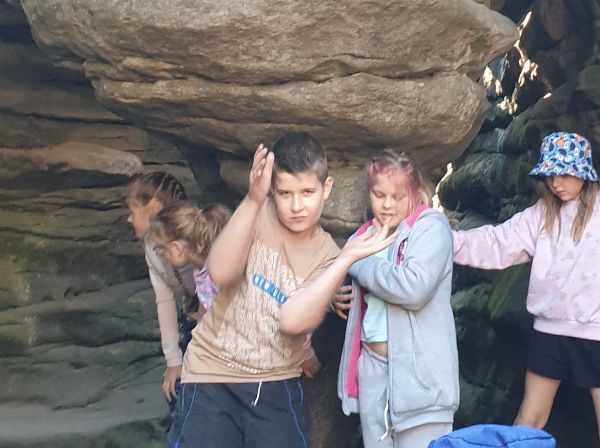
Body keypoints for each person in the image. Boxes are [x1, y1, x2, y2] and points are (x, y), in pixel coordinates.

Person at [168, 132, 396, 448]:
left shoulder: (328, 255)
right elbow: (219, 271)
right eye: (285, 193)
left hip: (274, 383)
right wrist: (253, 199)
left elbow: (293, 322)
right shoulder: (258, 214)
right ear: (273, 191)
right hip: (211, 373)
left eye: (307, 192)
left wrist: (344, 260)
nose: (297, 206)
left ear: (327, 188)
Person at [453, 131, 600, 437]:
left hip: (596, 334)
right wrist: (446, 241)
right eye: (550, 175)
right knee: (529, 419)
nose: (555, 183)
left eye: (563, 174)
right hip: (549, 332)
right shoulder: (540, 215)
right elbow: (498, 242)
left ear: (584, 173)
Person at [333, 149, 459, 448]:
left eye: (398, 196)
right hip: (373, 373)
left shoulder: (430, 228)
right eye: (379, 195)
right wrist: (333, 295)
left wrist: (355, 261)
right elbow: (341, 282)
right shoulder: (363, 237)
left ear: (414, 192)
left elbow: (413, 289)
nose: (387, 204)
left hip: (422, 381)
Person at [126, 171, 196, 406]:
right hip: (192, 315)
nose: (129, 218)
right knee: (177, 387)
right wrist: (173, 359)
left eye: (133, 209)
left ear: (153, 207)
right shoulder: (151, 248)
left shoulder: (194, 237)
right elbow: (164, 299)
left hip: (218, 321)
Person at [148, 202, 231, 312]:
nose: (163, 255)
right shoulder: (199, 270)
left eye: (162, 249)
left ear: (177, 248)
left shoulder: (218, 274)